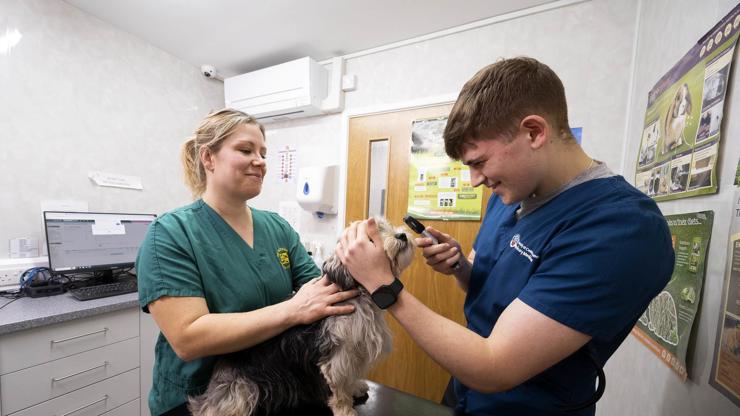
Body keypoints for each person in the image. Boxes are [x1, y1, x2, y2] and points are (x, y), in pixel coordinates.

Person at [336, 57, 675, 416]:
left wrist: (383, 286)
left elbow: (496, 365)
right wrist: (460, 268)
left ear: (533, 132)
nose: (475, 181)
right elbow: (492, 288)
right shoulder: (511, 193)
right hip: (463, 393)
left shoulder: (620, 229)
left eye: (479, 162)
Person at [136, 108, 359, 415]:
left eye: (263, 153)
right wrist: (293, 310)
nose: (260, 161)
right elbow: (189, 338)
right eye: (245, 150)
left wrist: (360, 259)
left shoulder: (277, 228)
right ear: (208, 158)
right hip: (202, 399)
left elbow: (321, 293)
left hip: (275, 386)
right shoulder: (171, 234)